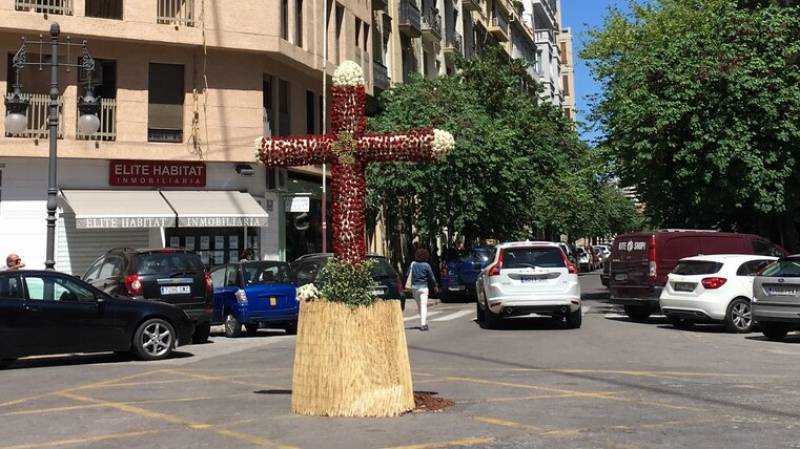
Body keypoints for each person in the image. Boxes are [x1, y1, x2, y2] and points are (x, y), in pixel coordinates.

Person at [406, 248, 438, 331]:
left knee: (419, 306)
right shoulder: (427, 265)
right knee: (423, 306)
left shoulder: (413, 264)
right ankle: (423, 324)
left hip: (414, 288)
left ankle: (423, 322)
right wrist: (435, 286)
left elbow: (407, 273)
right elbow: (432, 277)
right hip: (424, 288)